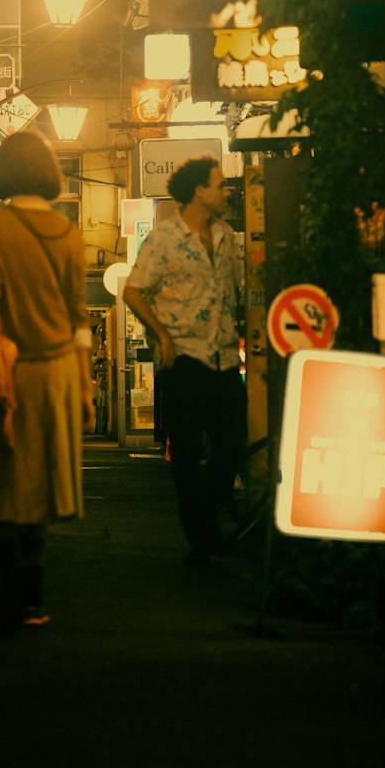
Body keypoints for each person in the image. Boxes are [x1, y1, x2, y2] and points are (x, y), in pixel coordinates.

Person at [0, 131, 95, 636]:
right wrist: (87, 386)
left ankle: (10, 569)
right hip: (55, 376)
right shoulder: (70, 234)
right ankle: (32, 595)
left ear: (2, 173)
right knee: (38, 487)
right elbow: (79, 319)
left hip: (4, 375)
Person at [123, 155, 246, 565]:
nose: (226, 192)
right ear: (199, 190)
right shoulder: (163, 239)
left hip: (225, 356)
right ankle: (202, 536)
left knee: (231, 445)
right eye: (220, 184)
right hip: (184, 358)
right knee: (188, 454)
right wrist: (162, 336)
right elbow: (134, 291)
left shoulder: (227, 236)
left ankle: (205, 516)